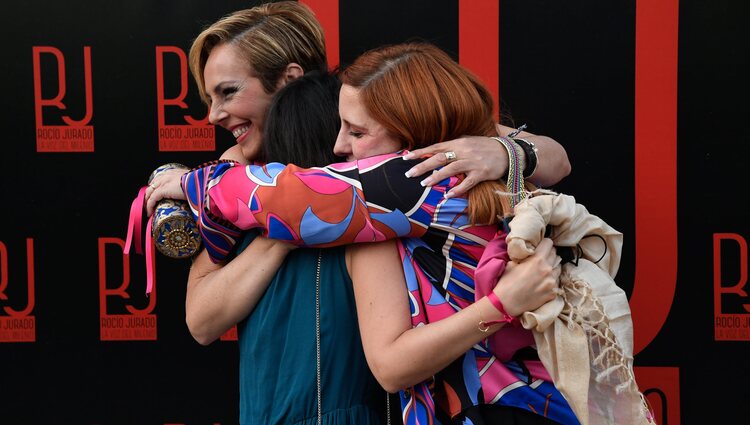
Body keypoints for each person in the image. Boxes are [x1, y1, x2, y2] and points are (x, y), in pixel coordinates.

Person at [142, 2, 574, 423]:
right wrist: (286, 228)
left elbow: (554, 157)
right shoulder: (238, 175)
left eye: (228, 91)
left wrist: (504, 148)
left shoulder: (394, 158)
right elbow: (201, 322)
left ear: (288, 78)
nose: (214, 113)